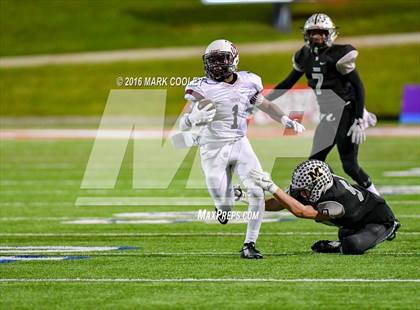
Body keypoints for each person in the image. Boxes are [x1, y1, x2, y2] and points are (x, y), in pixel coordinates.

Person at [179, 39, 305, 259]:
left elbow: (264, 104)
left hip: (239, 142)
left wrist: (284, 119)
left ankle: (250, 244)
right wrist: (192, 119)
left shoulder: (249, 81)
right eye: (213, 61)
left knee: (257, 191)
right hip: (212, 148)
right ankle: (227, 202)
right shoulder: (200, 87)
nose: (217, 65)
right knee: (225, 209)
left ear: (233, 59)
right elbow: (181, 125)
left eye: (221, 59)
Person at [266, 13, 379, 195]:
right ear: (306, 34)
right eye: (312, 33)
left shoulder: (339, 54)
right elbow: (287, 83)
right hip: (329, 115)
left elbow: (359, 88)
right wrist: (263, 101)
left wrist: (358, 118)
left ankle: (378, 201)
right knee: (315, 162)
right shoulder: (304, 56)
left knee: (350, 166)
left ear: (330, 34)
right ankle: (338, 194)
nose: (316, 37)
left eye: (321, 32)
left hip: (346, 112)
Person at [248, 160, 400, 255]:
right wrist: (244, 197)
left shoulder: (338, 199)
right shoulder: (317, 186)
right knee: (344, 234)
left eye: (305, 189)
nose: (301, 193)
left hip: (379, 221)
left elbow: (301, 211)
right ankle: (342, 241)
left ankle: (335, 247)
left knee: (352, 245)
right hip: (354, 223)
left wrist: (272, 187)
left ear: (319, 186)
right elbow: (278, 203)